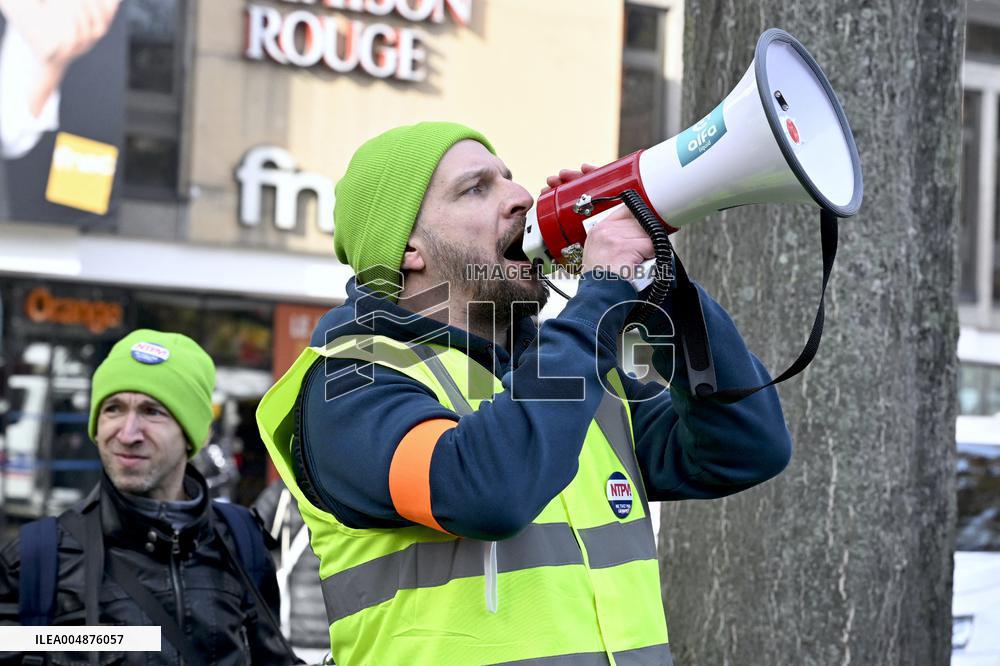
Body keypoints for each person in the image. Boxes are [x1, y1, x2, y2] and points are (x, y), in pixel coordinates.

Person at [257, 121, 794, 665]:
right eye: (477, 188)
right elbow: (485, 489)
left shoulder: (569, 374)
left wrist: (661, 282)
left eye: (510, 179)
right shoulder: (350, 380)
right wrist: (601, 292)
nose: (519, 197)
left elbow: (746, 447)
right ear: (409, 248)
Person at [0, 329, 299, 665]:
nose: (128, 434)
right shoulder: (37, 558)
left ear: (194, 436)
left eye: (152, 411)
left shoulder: (241, 542)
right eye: (113, 409)